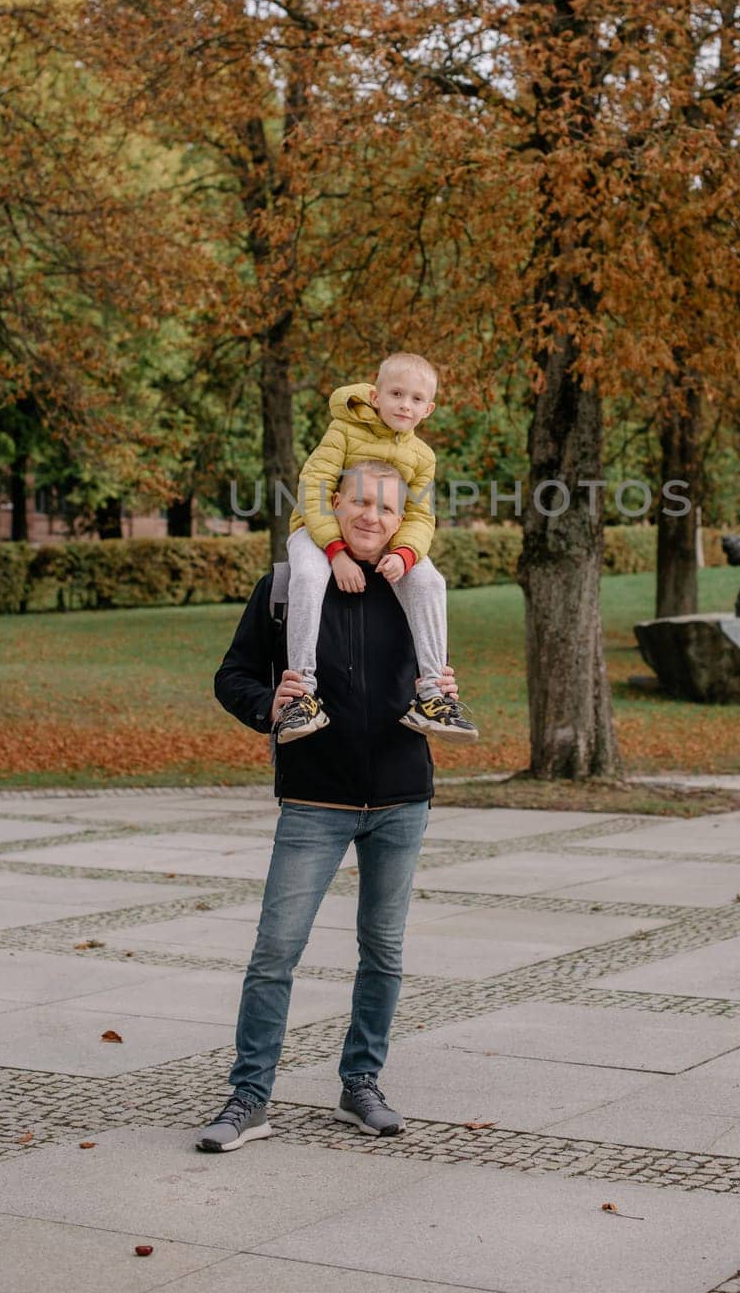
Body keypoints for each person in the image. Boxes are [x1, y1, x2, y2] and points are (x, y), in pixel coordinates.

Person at [196, 462, 460, 1152]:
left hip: (402, 797)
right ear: (334, 505)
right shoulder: (289, 588)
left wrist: (442, 687)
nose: (372, 515)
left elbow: (429, 683)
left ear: (402, 517)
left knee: (383, 951)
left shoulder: (415, 589)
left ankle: (360, 1083)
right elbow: (232, 677)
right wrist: (267, 705)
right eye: (360, 501)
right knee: (275, 952)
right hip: (314, 799)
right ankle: (250, 1095)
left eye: (387, 506)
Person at [276, 350, 477, 745]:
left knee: (430, 582)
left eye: (416, 399)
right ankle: (302, 696)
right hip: (320, 532)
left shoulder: (422, 457)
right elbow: (314, 490)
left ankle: (434, 696)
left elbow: (419, 516)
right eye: (396, 394)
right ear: (375, 396)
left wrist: (403, 554)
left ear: (428, 409)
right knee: (307, 575)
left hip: (385, 540)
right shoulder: (343, 430)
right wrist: (334, 552)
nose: (405, 404)